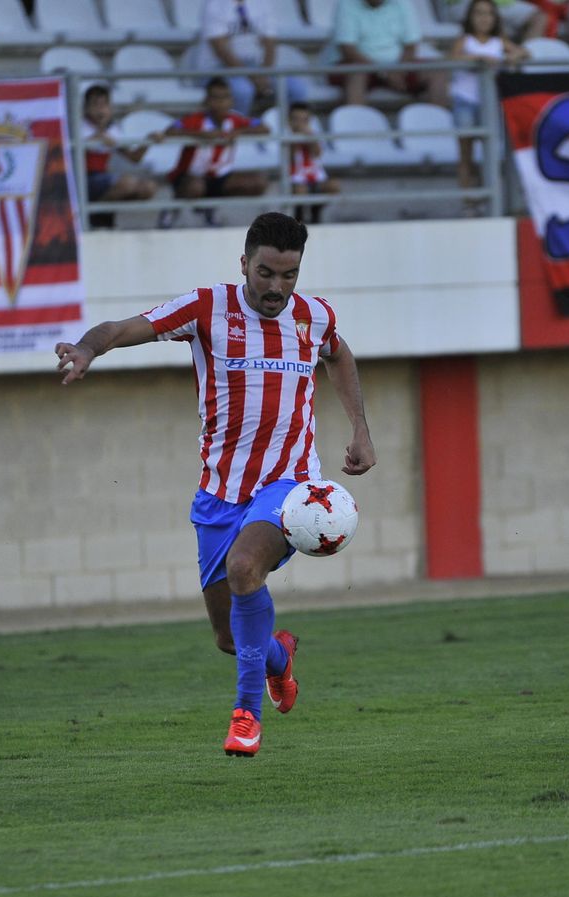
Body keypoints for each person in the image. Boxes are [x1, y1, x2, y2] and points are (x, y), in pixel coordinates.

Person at [53, 212, 377, 758]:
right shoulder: (207, 308)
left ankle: (246, 717)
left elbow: (338, 355)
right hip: (219, 495)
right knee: (232, 639)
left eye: (289, 275)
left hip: (291, 487)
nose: (277, 287)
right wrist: (88, 349)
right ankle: (279, 657)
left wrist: (361, 428)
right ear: (244, 264)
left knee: (246, 567)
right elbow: (124, 329)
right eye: (266, 272)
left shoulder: (314, 317)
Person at [163, 77, 270, 224]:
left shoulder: (235, 120)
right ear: (206, 100)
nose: (220, 103)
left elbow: (264, 128)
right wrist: (201, 135)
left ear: (231, 101)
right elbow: (170, 131)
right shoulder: (195, 120)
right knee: (196, 186)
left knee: (258, 182)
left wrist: (239, 132)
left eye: (225, 97)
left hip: (219, 177)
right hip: (190, 176)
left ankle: (210, 208)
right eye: (215, 97)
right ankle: (173, 209)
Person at [450, 0, 525, 191]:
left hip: (489, 103)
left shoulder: (499, 41)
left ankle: (490, 195)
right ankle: (469, 200)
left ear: (495, 18)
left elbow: (524, 53)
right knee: (465, 153)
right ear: (470, 17)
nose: (484, 18)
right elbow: (452, 58)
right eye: (479, 13)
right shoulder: (465, 40)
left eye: (488, 13)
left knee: (490, 152)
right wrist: (478, 59)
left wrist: (513, 56)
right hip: (465, 101)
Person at [189, 0, 308, 118]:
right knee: (243, 90)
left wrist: (265, 74)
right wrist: (251, 76)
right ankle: (237, 130)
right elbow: (220, 49)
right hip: (217, 69)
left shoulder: (262, 3)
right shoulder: (214, 4)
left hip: (255, 67)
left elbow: (270, 42)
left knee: (296, 88)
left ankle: (292, 131)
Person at [331, 0, 447, 107]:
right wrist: (384, 73)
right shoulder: (346, 4)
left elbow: (411, 46)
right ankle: (355, 126)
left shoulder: (402, 3)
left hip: (398, 67)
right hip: (362, 66)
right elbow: (348, 50)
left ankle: (440, 125)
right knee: (356, 74)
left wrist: (399, 71)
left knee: (437, 71)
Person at [79, 83, 159, 229]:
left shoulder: (113, 129)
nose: (100, 110)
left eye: (104, 105)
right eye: (95, 105)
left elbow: (134, 158)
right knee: (126, 183)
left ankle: (100, 214)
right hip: (82, 178)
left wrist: (148, 141)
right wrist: (95, 138)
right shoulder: (79, 126)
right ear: (86, 108)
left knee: (148, 188)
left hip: (102, 178)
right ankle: (93, 215)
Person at [285, 102, 339, 224]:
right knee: (301, 190)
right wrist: (296, 138)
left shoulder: (312, 134)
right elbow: (290, 158)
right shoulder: (285, 136)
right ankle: (298, 218)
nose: (300, 124)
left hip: (313, 175)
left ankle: (316, 211)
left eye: (304, 120)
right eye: (296, 119)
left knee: (334, 186)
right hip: (296, 177)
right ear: (289, 121)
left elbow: (317, 153)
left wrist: (310, 139)